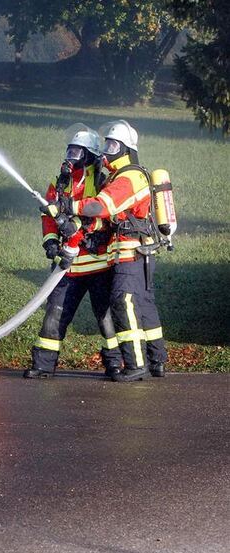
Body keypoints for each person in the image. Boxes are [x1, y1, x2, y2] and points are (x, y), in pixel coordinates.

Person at [43, 120, 168, 382]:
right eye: (107, 145)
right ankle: (156, 362)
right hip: (119, 253)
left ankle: (135, 365)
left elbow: (101, 207)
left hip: (128, 252)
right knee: (143, 304)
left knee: (124, 302)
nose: (108, 151)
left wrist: (70, 209)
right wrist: (54, 237)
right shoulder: (109, 177)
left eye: (113, 145)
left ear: (126, 149)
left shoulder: (127, 177)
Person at [25, 125, 121, 379]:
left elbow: (104, 216)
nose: (71, 156)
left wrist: (75, 228)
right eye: (70, 150)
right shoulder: (59, 182)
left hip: (98, 262)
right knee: (54, 314)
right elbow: (49, 216)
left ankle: (116, 365)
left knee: (106, 318)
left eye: (78, 151)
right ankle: (43, 365)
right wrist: (51, 242)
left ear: (90, 155)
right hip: (68, 265)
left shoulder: (102, 181)